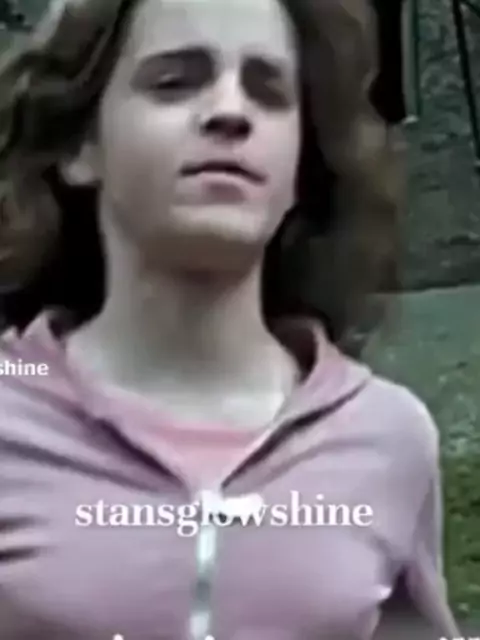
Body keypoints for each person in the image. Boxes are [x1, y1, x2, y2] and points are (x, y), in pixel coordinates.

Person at [0, 0, 459, 639]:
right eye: (174, 82)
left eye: (269, 92)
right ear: (81, 145)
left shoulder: (388, 437)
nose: (230, 111)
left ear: (302, 163)